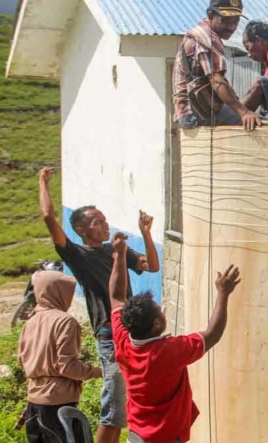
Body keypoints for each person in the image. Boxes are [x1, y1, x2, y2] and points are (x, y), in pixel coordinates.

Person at [38, 166, 160, 443]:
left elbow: (152, 265)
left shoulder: (116, 250)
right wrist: (42, 182)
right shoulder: (78, 255)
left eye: (105, 220)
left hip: (133, 332)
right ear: (81, 229)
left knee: (136, 397)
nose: (105, 225)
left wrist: (147, 233)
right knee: (115, 404)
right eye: (97, 222)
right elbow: (48, 216)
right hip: (109, 333)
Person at [107, 232, 242, 443]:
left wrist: (121, 255)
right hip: (166, 436)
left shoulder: (124, 341)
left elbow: (116, 297)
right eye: (160, 311)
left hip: (137, 435)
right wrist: (223, 294)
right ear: (157, 324)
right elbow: (213, 334)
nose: (163, 313)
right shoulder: (168, 351)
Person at [18, 270, 102, 442]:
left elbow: (22, 359)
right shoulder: (65, 322)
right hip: (58, 406)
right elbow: (67, 366)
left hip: (34, 404)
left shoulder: (30, 323)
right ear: (59, 292)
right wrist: (99, 372)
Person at [172, 0, 261, 131]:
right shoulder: (208, 39)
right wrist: (244, 112)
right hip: (198, 113)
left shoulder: (199, 33)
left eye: (236, 21)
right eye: (225, 21)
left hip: (187, 112)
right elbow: (217, 81)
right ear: (211, 15)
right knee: (263, 123)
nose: (231, 27)